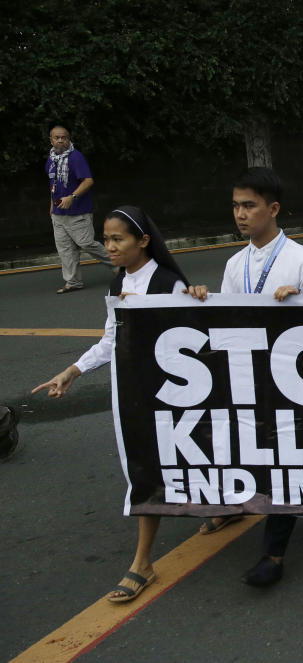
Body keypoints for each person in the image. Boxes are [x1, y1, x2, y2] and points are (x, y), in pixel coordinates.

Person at [33, 205, 190, 603]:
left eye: (118, 238)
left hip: (169, 396)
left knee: (165, 463)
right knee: (149, 466)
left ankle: (142, 563)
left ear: (142, 240)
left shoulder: (168, 283)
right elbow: (110, 340)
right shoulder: (115, 284)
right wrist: (73, 370)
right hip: (133, 394)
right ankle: (204, 521)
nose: (110, 246)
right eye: (106, 239)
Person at [186, 167, 303, 587]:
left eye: (249, 205)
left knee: (286, 458)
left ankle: (274, 552)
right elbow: (227, 322)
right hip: (249, 376)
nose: (240, 214)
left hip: (294, 381)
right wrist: (200, 300)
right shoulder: (235, 263)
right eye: (235, 206)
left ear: (274, 208)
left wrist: (298, 305)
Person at [45, 124, 113, 294]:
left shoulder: (76, 157)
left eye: (64, 137)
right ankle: (73, 281)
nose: (60, 140)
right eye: (57, 137)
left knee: (86, 243)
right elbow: (53, 184)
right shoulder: (51, 159)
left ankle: (121, 265)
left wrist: (72, 197)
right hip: (59, 213)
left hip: (77, 211)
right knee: (65, 249)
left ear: (69, 139)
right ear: (51, 140)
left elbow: (88, 181)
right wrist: (52, 206)